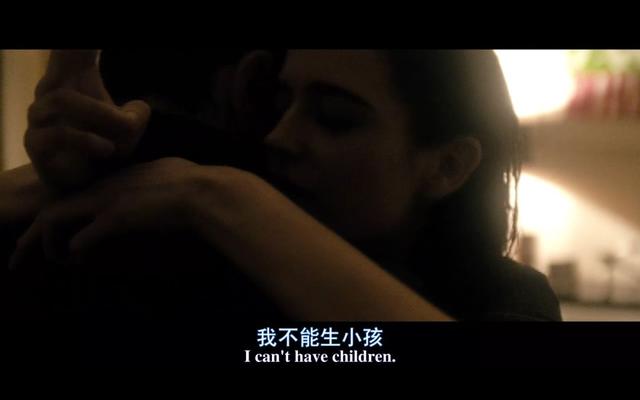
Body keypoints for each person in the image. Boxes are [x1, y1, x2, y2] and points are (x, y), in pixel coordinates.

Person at [2, 49, 561, 321]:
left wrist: (223, 200)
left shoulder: (503, 298)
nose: (281, 136)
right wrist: (67, 177)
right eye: (281, 103)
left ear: (448, 166)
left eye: (335, 119)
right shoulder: (191, 249)